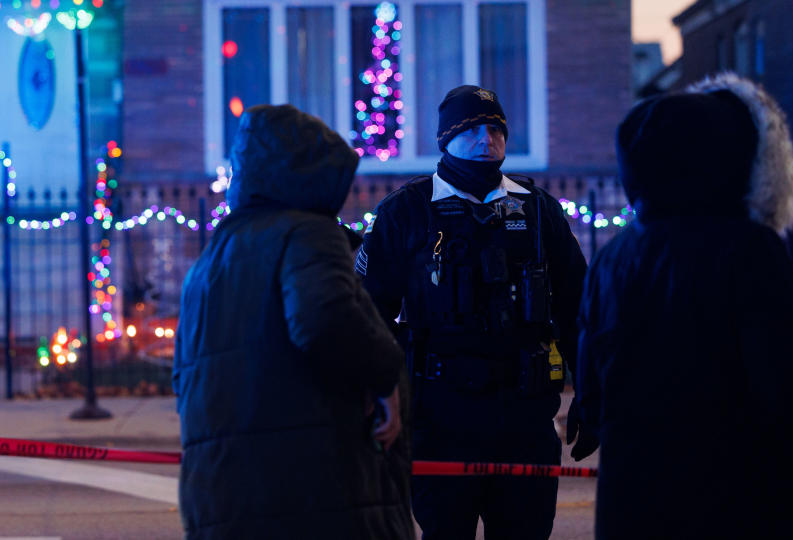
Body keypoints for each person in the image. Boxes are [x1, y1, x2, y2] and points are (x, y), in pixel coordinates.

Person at [572, 73, 793, 539]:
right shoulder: (748, 250)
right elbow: (787, 387)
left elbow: (592, 388)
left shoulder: (612, 258)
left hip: (633, 504)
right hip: (735, 504)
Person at [356, 85, 588, 540]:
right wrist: (375, 400)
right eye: (472, 129)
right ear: (446, 139)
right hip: (441, 419)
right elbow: (369, 317)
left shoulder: (538, 210)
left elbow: (579, 307)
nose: (487, 139)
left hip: (525, 419)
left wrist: (592, 392)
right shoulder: (406, 212)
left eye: (495, 128)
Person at [173, 103, 414, 539]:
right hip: (309, 492)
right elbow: (325, 319)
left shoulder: (213, 255)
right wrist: (386, 376)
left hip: (221, 497)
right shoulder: (306, 232)